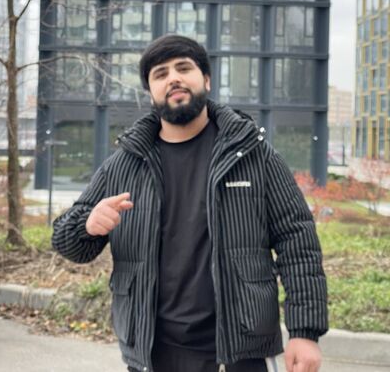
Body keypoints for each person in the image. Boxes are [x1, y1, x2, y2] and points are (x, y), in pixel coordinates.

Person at [52, 35, 328, 372]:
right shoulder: (124, 164)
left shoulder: (253, 154)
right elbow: (67, 242)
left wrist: (304, 332)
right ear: (151, 92)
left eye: (183, 68)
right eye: (160, 74)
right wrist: (87, 225)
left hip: (240, 352)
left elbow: (297, 241)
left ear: (206, 80)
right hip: (153, 352)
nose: (173, 78)